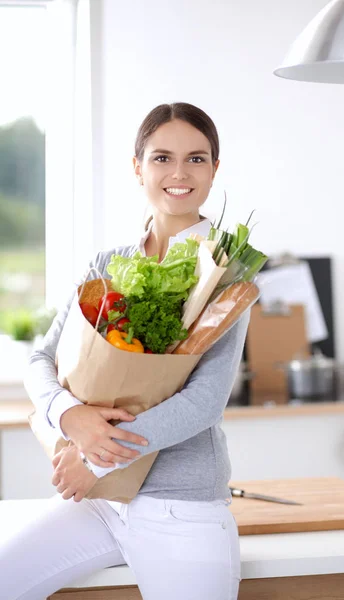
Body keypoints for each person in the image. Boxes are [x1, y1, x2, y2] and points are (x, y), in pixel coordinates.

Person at [0, 102, 250, 600]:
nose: (179, 173)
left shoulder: (227, 271)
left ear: (215, 169)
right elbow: (39, 360)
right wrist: (69, 415)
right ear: (138, 167)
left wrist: (96, 459)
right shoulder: (108, 262)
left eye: (197, 159)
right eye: (162, 158)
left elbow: (206, 402)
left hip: (179, 507)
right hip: (99, 503)